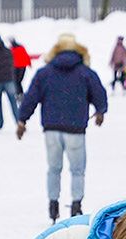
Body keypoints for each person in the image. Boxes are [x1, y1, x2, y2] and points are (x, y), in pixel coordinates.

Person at [18, 33, 109, 223]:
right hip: (75, 129)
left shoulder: (44, 73)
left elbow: (31, 97)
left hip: (51, 128)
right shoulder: (85, 72)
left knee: (54, 168)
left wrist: (22, 120)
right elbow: (99, 94)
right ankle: (76, 205)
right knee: (77, 170)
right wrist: (100, 111)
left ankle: (53, 205)